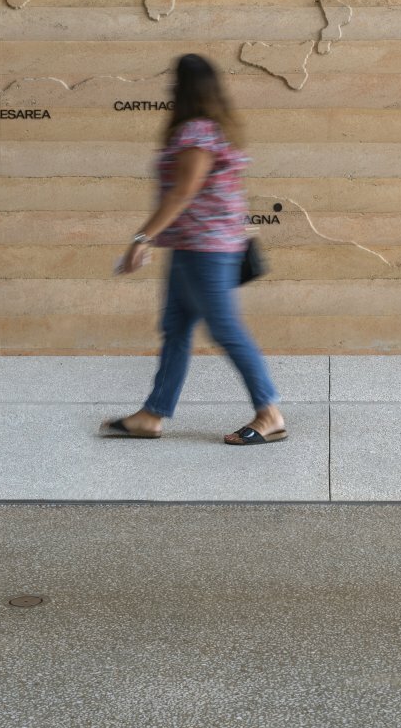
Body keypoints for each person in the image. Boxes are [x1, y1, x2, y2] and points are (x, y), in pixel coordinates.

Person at [103, 53, 287, 446]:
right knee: (175, 330)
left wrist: (142, 238)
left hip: (207, 250)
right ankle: (152, 415)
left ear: (184, 89)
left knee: (226, 329)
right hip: (190, 247)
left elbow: (183, 191)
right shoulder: (207, 129)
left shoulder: (197, 132)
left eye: (174, 84)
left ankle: (269, 413)